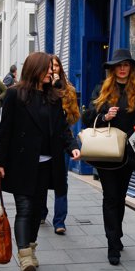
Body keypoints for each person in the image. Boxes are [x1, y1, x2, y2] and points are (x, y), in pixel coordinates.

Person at [0, 52, 80, 271]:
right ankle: (24, 257)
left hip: (46, 165)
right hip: (21, 163)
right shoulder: (14, 95)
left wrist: (72, 146)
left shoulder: (53, 97)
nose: (51, 72)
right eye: (47, 69)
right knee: (24, 209)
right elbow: (6, 130)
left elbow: (62, 129)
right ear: (35, 70)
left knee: (36, 211)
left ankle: (30, 247)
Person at [83, 49, 135, 265]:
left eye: (126, 65)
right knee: (110, 197)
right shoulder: (102, 89)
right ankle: (112, 245)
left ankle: (116, 234)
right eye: (118, 65)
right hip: (107, 153)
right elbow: (87, 117)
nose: (122, 68)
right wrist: (104, 116)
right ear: (113, 69)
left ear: (131, 68)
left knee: (120, 197)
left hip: (128, 154)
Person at [40, 55, 80, 234]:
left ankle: (59, 221)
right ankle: (41, 212)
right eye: (50, 66)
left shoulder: (69, 90)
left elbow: (74, 116)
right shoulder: (41, 89)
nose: (53, 69)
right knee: (40, 178)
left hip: (62, 140)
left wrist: (63, 113)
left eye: (56, 65)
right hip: (43, 142)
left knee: (61, 180)